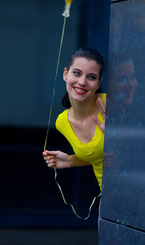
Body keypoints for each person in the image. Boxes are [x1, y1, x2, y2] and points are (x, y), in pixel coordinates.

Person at [43, 47, 106, 191]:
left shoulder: (112, 106)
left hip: (142, 192)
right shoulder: (62, 122)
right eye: (77, 73)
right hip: (110, 199)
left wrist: (116, 136)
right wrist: (71, 161)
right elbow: (99, 156)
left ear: (98, 83)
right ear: (65, 74)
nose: (82, 82)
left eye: (91, 77)